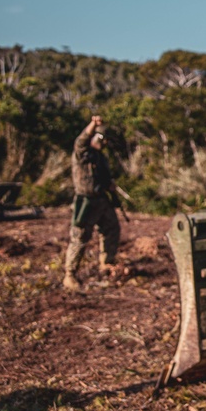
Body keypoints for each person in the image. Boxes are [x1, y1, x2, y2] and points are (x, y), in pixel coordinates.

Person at [63, 115, 121, 291]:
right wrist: (93, 125)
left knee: (112, 228)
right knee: (79, 237)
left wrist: (109, 186)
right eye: (101, 140)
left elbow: (104, 177)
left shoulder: (99, 157)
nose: (103, 145)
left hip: (101, 200)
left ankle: (106, 263)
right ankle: (70, 274)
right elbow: (81, 140)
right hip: (86, 202)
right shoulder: (82, 154)